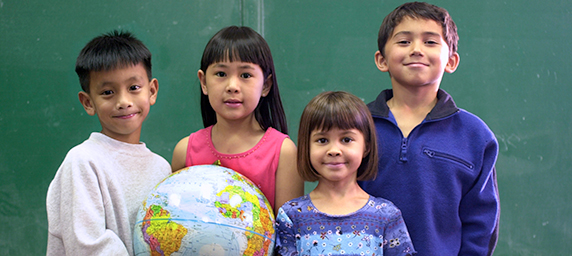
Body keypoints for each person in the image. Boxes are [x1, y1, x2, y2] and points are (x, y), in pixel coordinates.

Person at [358, 2, 500, 256]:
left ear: (451, 61)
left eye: (431, 42)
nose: (416, 50)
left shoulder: (474, 135)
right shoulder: (356, 125)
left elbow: (481, 222)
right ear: (382, 60)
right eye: (403, 42)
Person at [46, 31, 171, 255]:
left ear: (151, 91)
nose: (123, 102)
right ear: (88, 102)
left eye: (134, 88)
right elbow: (88, 246)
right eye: (108, 92)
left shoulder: (162, 168)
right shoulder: (83, 162)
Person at [171, 26, 304, 213]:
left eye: (246, 75)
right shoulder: (184, 152)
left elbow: (288, 235)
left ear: (266, 85)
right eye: (221, 74)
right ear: (203, 82)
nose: (232, 86)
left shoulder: (283, 152)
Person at [275, 91, 416, 256]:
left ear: (366, 147)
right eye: (322, 140)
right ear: (307, 147)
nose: (334, 150)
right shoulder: (291, 216)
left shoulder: (386, 216)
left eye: (346, 139)